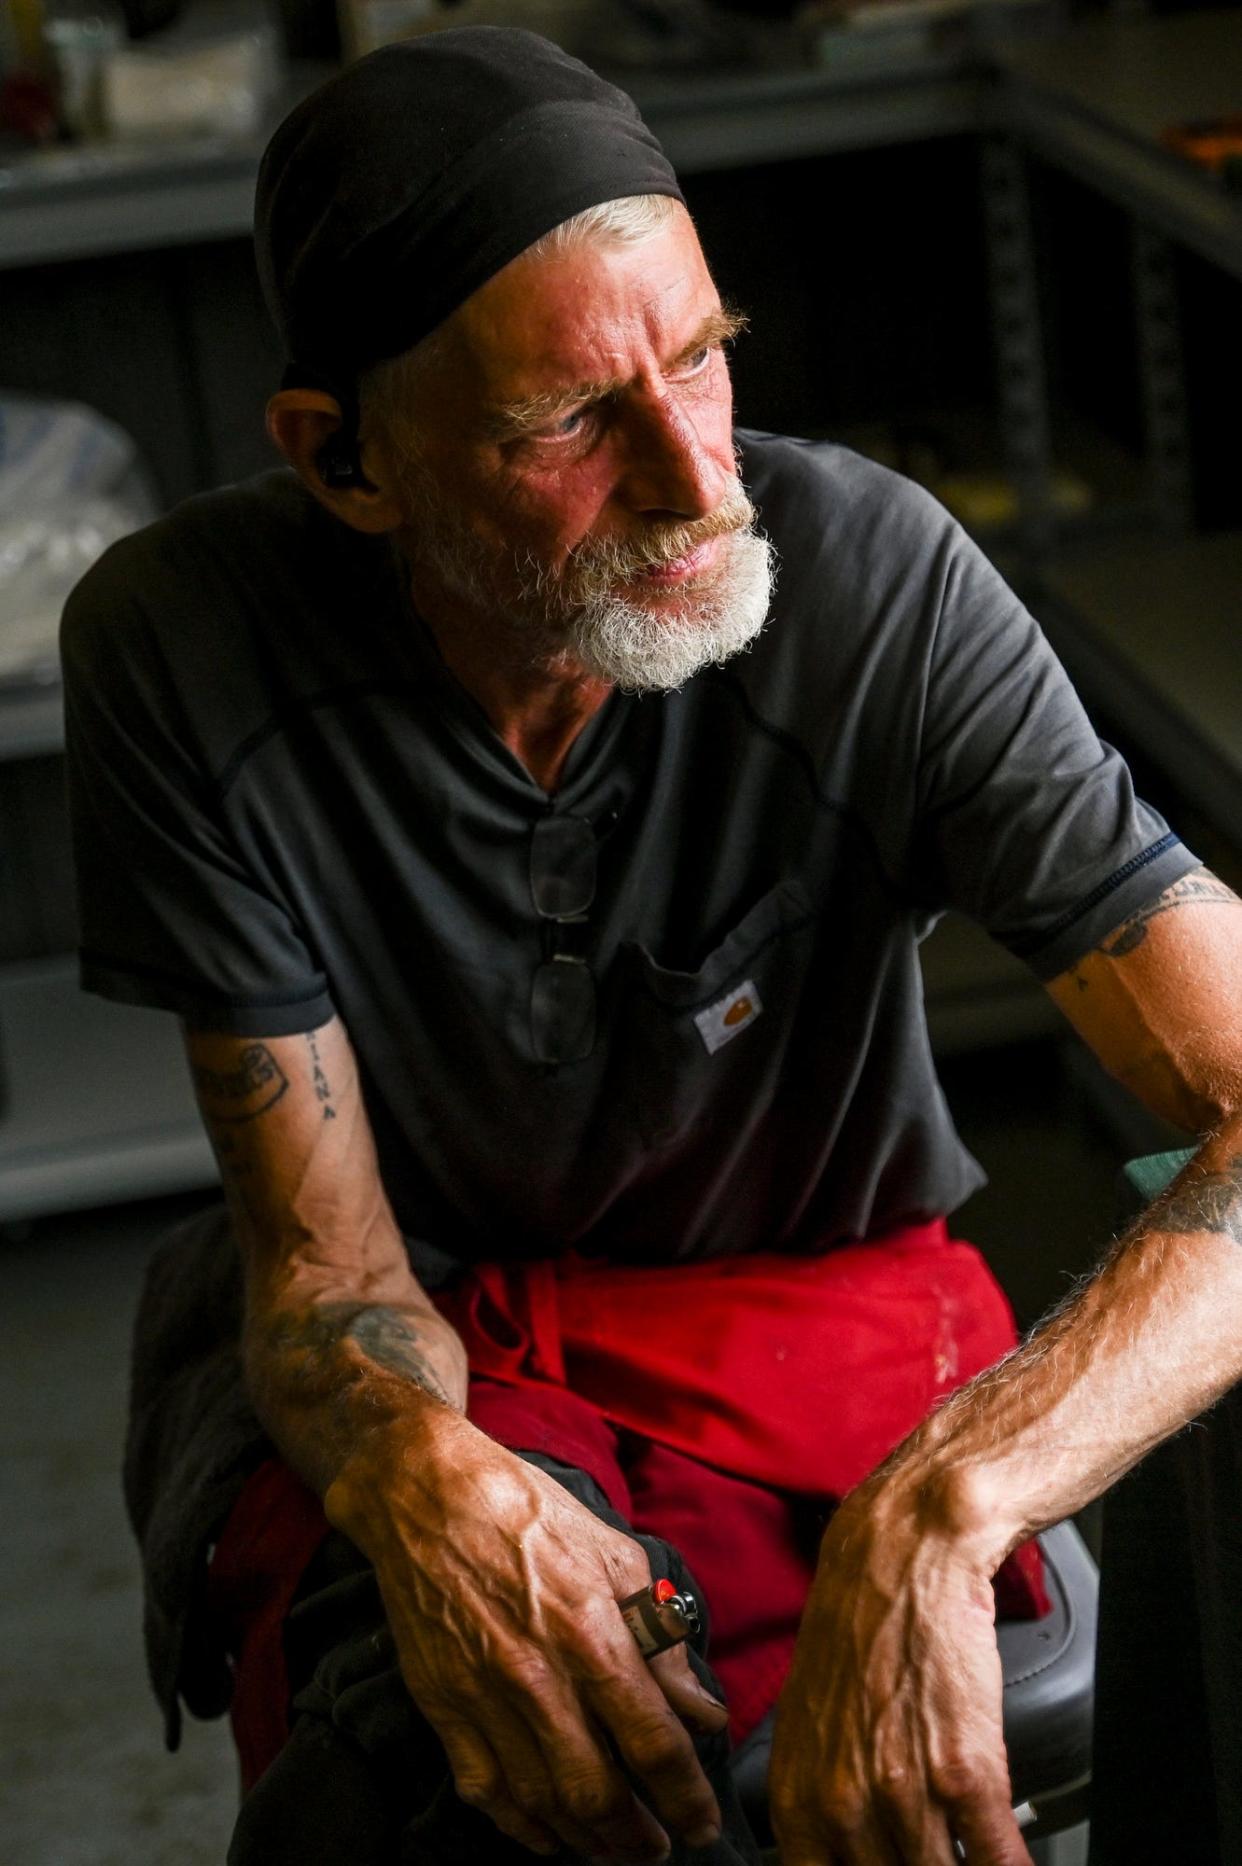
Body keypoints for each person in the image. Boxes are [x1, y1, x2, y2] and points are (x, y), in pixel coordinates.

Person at [60, 27, 1242, 1866]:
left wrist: (946, 1495)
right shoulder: (183, 645)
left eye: (702, 361)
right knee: (428, 1792)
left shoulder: (872, 582)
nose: (701, 482)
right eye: (568, 423)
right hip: (440, 1331)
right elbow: (323, 1269)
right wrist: (427, 1486)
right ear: (347, 461)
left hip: (822, 1307)